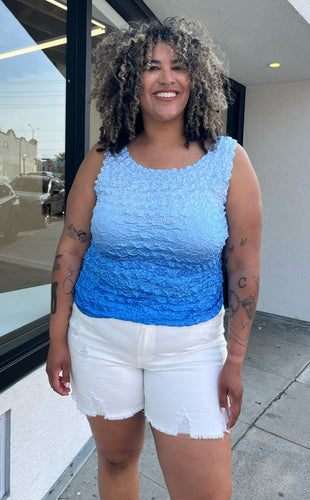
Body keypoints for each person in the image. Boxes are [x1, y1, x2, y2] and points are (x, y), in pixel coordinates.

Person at [46, 17, 262, 500]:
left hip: (191, 349)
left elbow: (244, 269)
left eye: (179, 67)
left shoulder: (228, 159)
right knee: (117, 459)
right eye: (151, 67)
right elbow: (70, 248)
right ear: (129, 80)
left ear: (196, 79)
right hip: (99, 340)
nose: (166, 79)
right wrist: (57, 339)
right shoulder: (104, 158)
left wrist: (236, 359)